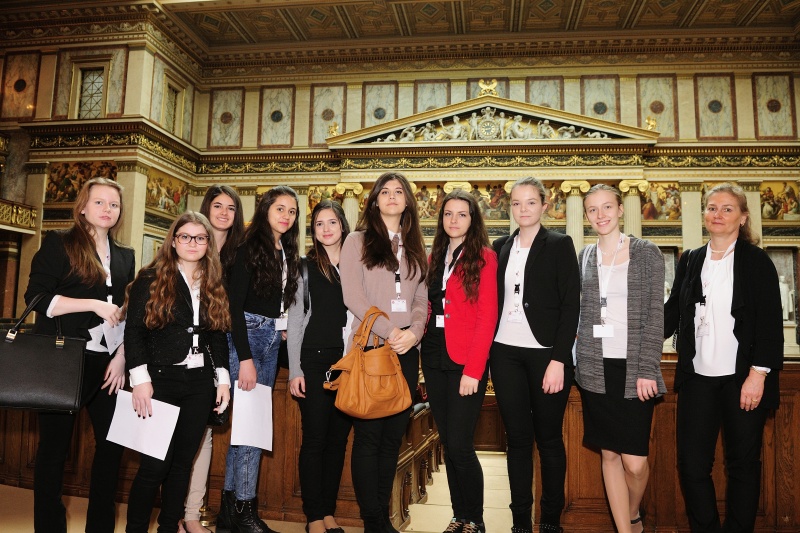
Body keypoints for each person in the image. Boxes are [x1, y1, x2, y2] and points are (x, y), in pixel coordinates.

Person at [665, 183, 783, 533]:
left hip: (742, 379)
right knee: (691, 465)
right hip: (697, 377)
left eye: (727, 208)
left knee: (742, 465)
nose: (718, 214)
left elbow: (769, 322)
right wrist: (628, 331)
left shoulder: (756, 261)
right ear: (704, 214)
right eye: (712, 207)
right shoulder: (691, 259)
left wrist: (758, 374)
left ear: (743, 217)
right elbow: (672, 313)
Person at [24, 177, 135, 533]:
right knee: (54, 452)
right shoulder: (59, 244)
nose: (107, 210)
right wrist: (93, 304)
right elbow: (37, 299)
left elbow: (127, 311)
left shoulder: (125, 256)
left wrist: (121, 357)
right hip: (62, 360)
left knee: (112, 447)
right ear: (83, 206)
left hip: (108, 365)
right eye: (100, 202)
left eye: (114, 205)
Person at [124, 212, 231, 533]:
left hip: (200, 384)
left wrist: (222, 380)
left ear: (208, 243)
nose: (192, 243)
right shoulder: (151, 277)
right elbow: (134, 332)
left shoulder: (213, 279)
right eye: (185, 236)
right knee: (154, 467)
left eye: (200, 238)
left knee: (183, 466)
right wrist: (140, 380)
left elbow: (217, 333)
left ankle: (169, 527)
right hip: (160, 381)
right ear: (173, 240)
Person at [490, 176, 579, 533]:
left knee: (549, 439)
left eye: (530, 202)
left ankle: (550, 521)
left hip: (546, 356)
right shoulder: (499, 247)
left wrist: (559, 359)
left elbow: (570, 304)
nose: (522, 209)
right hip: (505, 353)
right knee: (517, 441)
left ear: (544, 205)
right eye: (516, 203)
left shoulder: (559, 244)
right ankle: (519, 522)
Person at [575, 185, 666, 533]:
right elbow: (582, 311)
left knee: (635, 463)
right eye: (593, 210)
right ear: (586, 216)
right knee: (609, 455)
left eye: (607, 207)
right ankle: (625, 531)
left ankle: (632, 512)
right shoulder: (584, 256)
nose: (601, 215)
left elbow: (654, 316)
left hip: (633, 370)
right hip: (595, 368)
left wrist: (647, 369)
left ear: (620, 209)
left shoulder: (646, 252)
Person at [340, 171, 428, 533]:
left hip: (406, 352)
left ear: (407, 201)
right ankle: (373, 520)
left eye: (399, 191)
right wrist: (391, 331)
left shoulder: (416, 246)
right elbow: (354, 297)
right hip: (373, 348)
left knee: (393, 437)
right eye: (385, 192)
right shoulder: (357, 241)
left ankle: (383, 515)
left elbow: (422, 298)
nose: (392, 196)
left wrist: (414, 333)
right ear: (375, 200)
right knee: (370, 437)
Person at [222, 185, 300, 533]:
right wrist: (246, 358)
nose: (286, 216)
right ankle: (245, 512)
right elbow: (233, 309)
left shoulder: (284, 248)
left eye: (293, 211)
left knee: (246, 429)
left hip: (270, 335)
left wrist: (281, 330)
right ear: (265, 208)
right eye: (280, 208)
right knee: (251, 430)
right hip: (248, 337)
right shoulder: (246, 246)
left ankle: (229, 509)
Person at [421, 190, 498, 533]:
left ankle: (476, 519)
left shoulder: (484, 256)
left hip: (465, 360)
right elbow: (428, 306)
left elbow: (487, 316)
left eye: (461, 214)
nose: (453, 220)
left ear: (473, 219)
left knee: (461, 444)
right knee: (448, 443)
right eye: (448, 214)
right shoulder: (433, 256)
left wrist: (474, 370)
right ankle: (458, 516)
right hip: (435, 355)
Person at [178, 185, 245, 533]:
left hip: (221, 349)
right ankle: (175, 512)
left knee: (204, 433)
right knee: (177, 435)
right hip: (180, 356)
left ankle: (192, 513)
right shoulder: (187, 243)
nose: (223, 212)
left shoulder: (239, 253)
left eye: (231, 208)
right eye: (217, 205)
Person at [287, 200, 353, 533]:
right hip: (314, 359)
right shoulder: (304, 266)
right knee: (315, 439)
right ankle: (313, 515)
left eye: (331, 222)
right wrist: (295, 369)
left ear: (343, 224)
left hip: (350, 363)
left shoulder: (358, 263)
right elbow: (296, 319)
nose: (326, 229)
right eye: (318, 225)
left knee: (338, 441)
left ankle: (328, 511)